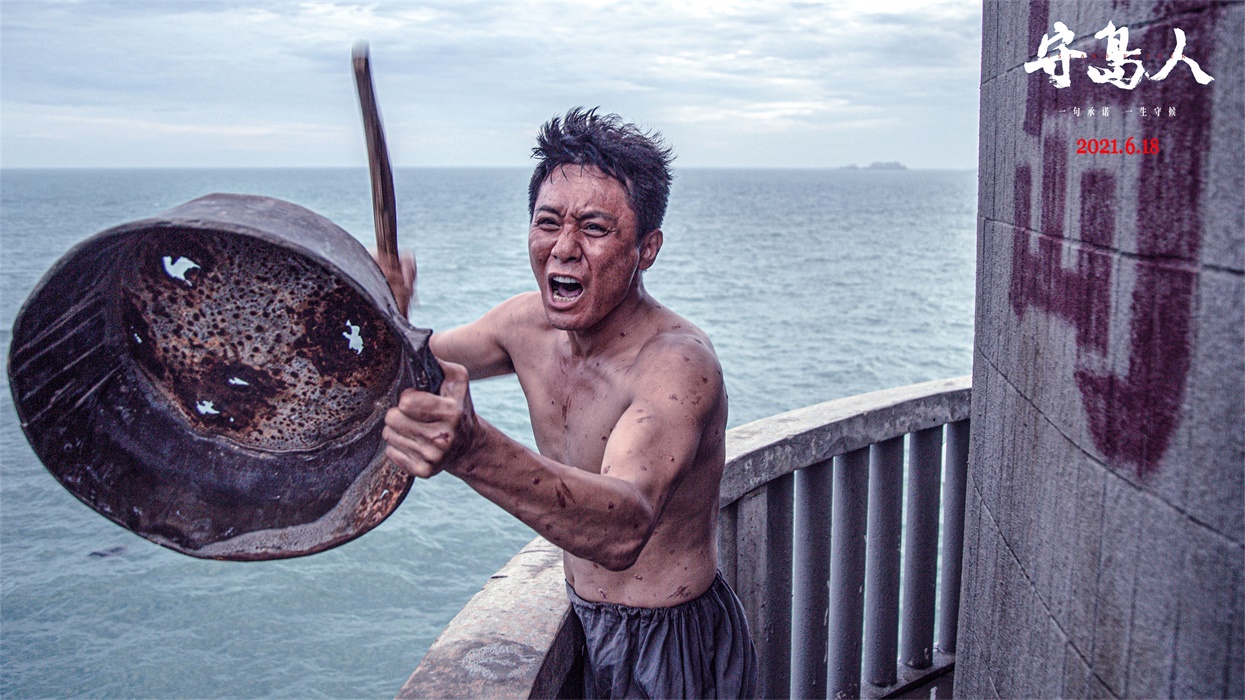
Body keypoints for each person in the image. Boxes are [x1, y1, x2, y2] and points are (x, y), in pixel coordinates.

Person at [381, 107, 757, 699]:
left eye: (596, 228)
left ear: (647, 248)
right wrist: (386, 314)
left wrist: (473, 448)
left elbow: (625, 526)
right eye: (548, 222)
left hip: (669, 642)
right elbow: (405, 367)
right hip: (581, 618)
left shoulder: (677, 365)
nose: (564, 248)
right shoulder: (524, 325)